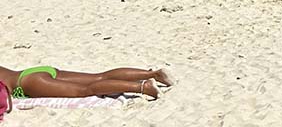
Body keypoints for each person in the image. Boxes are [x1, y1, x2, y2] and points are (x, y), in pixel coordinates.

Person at [0, 64, 172, 100]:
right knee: (99, 76)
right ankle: (154, 74)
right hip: (33, 71)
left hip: (28, 83)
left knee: (84, 90)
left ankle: (143, 87)